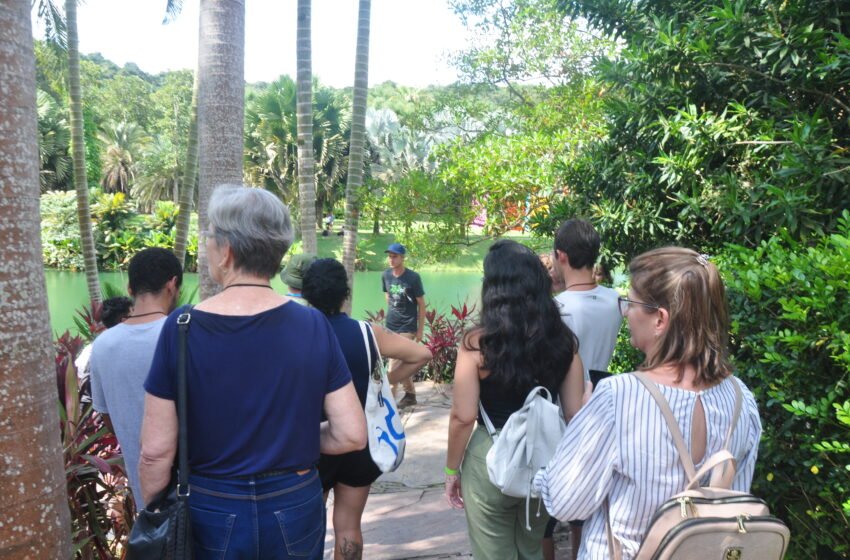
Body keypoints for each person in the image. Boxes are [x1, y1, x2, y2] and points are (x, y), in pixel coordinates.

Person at [140, 185, 366, 559]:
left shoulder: (181, 327)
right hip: (294, 503)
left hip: (211, 506)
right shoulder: (312, 324)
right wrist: (288, 439)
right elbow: (351, 434)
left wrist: (154, 515)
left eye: (209, 236)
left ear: (226, 251)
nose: (207, 245)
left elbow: (155, 452)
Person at [534, 247, 763, 560]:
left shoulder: (618, 397)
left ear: (660, 319)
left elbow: (565, 503)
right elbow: (737, 496)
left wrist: (579, 426)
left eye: (630, 302)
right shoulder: (741, 399)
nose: (626, 312)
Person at [445, 239, 585, 560]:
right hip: (544, 459)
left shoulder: (478, 343)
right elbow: (575, 415)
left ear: (493, 287)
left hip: (490, 459)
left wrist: (452, 470)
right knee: (532, 549)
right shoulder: (563, 341)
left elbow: (463, 417)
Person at [302, 258, 432, 560]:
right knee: (349, 526)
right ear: (344, 294)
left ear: (307, 294)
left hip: (314, 443)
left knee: (309, 528)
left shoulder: (299, 334)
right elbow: (422, 354)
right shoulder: (365, 332)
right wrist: (384, 382)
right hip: (361, 441)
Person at [546, 219, 623, 559]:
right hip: (602, 393)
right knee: (589, 491)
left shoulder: (557, 308)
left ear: (560, 256)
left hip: (565, 399)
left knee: (551, 499)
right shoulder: (617, 302)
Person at [89, 249, 182, 508]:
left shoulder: (103, 345)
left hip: (147, 498)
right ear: (172, 285)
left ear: (130, 288)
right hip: (198, 494)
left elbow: (107, 419)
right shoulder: (183, 333)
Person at [382, 242, 426, 408]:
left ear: (402, 258)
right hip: (391, 326)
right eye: (389, 256)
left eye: (395, 256)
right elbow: (387, 296)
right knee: (401, 362)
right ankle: (410, 394)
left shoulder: (413, 278)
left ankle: (389, 406)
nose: (391, 259)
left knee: (393, 367)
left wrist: (420, 330)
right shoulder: (386, 276)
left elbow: (421, 303)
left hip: (407, 327)